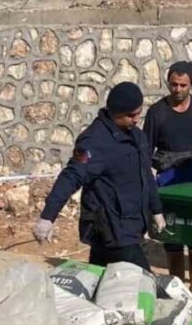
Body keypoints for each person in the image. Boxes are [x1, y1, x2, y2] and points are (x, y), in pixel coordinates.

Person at [35, 82, 165, 271]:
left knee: (102, 282)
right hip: (111, 228)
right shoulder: (94, 141)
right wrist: (48, 217)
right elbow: (71, 176)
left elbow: (146, 176)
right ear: (115, 112)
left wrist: (156, 210)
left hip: (131, 225)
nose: (137, 119)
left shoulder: (137, 137)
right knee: (143, 282)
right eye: (130, 115)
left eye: (139, 113)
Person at [144, 61, 192, 287]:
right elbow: (146, 151)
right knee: (172, 237)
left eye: (183, 85)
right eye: (173, 84)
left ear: (191, 84)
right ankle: (176, 290)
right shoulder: (157, 112)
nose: (177, 89)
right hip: (168, 182)